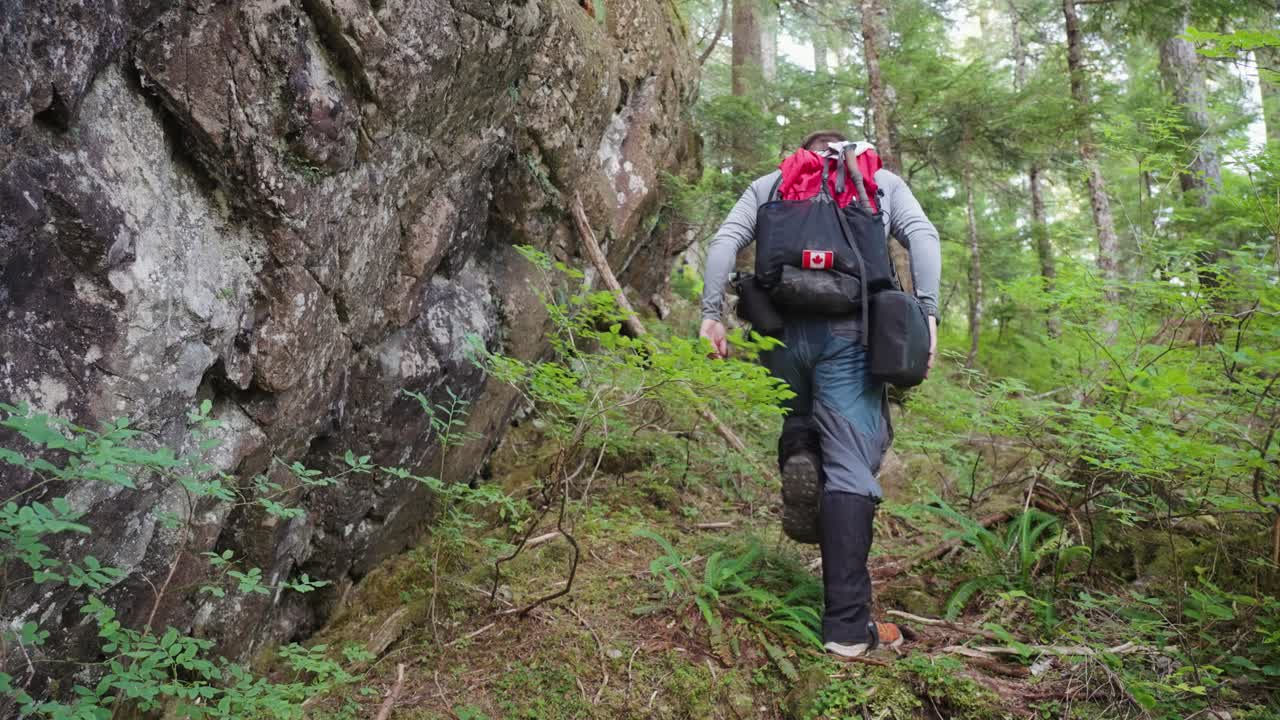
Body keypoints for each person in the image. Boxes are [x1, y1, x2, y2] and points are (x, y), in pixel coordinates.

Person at [698, 130, 940, 658]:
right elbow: (923, 237)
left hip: (779, 332)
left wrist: (710, 316)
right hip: (850, 332)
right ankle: (849, 630)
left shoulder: (772, 185)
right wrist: (927, 313)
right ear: (846, 152)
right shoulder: (877, 182)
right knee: (853, 466)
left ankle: (803, 452)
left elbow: (723, 243)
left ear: (803, 156)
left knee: (801, 415)